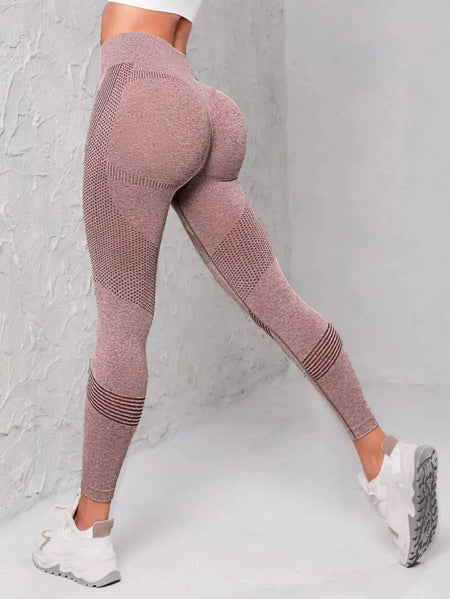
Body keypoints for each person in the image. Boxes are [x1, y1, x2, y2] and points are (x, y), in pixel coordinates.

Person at [32, 0, 438, 587]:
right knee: (275, 298)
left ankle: (88, 530)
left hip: (139, 99)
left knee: (122, 324)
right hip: (204, 109)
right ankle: (382, 456)